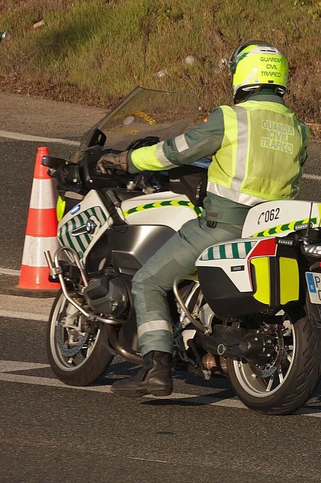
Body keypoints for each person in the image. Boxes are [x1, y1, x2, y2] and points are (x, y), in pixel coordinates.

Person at [109, 42, 309, 398]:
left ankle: (156, 367)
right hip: (272, 231)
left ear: (244, 74)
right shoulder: (298, 127)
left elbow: (176, 152)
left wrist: (128, 161)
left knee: (148, 281)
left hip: (223, 227)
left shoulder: (232, 118)